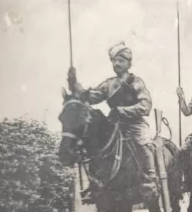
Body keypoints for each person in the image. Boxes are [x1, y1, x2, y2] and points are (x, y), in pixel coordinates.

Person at [67, 42, 158, 200]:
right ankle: (96, 182)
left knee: (144, 143)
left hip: (135, 124)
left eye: (121, 60)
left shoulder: (136, 82)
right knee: (97, 146)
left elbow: (145, 105)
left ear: (129, 63)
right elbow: (92, 96)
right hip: (114, 125)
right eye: (114, 61)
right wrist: (75, 86)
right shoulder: (109, 84)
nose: (117, 64)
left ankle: (150, 179)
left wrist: (123, 110)